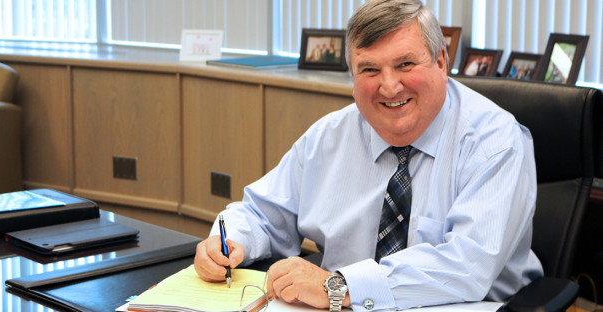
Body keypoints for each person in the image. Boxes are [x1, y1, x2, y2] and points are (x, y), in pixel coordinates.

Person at [194, 0, 543, 311]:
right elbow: (261, 213)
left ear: (441, 62)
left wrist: (339, 286)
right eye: (370, 70)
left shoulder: (496, 141)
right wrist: (229, 242)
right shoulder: (330, 135)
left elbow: (469, 266)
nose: (389, 87)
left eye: (405, 64)